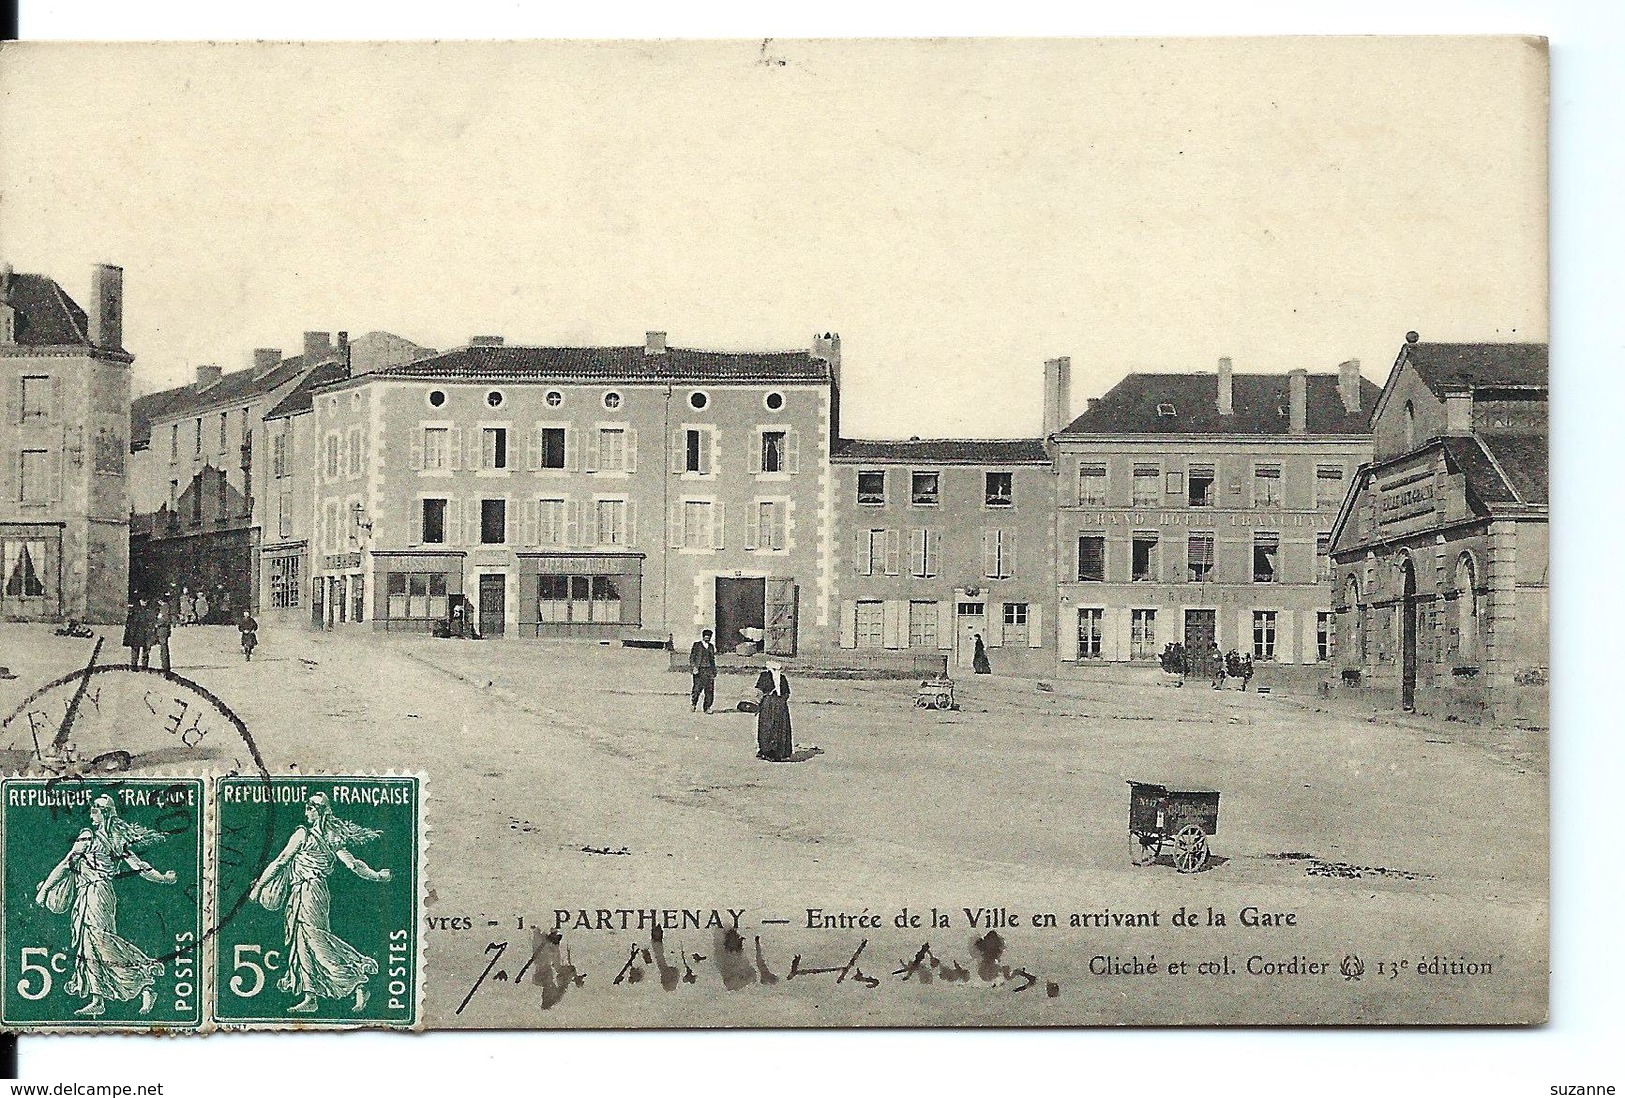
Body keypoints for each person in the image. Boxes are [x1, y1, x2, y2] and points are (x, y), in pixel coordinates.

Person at [34, 793, 177, 1017]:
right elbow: (142, 868)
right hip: (101, 894)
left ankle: (144, 982)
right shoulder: (117, 840)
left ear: (105, 813)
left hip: (94, 893)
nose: (91, 814)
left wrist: (44, 891)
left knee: (98, 942)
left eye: (95, 810)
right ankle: (99, 998)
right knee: (92, 944)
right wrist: (164, 878)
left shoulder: (87, 837)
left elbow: (65, 864)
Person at [249, 793, 391, 1014]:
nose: (306, 812)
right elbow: (354, 865)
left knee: (316, 941)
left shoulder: (303, 834)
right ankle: (311, 996)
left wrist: (258, 887)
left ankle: (356, 980)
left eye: (309, 808)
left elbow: (280, 862)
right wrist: (377, 876)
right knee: (302, 942)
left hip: (309, 892)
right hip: (306, 892)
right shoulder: (330, 836)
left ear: (317, 810)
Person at [754, 661, 793, 762]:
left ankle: (774, 752)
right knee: (769, 728)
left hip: (773, 705)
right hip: (775, 705)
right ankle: (767, 751)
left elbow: (758, 691)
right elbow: (786, 693)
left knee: (774, 728)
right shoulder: (769, 677)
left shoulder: (771, 677)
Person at [689, 629, 718, 713]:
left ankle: (707, 707)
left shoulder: (711, 646)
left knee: (709, 690)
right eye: (706, 636)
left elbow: (712, 659)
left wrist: (714, 670)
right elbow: (692, 657)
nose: (707, 638)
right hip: (699, 670)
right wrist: (694, 667)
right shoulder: (697, 645)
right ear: (703, 636)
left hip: (709, 670)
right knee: (697, 688)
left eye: (709, 636)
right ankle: (693, 704)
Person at [150, 595, 174, 674]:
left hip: (163, 630)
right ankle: (164, 665)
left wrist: (157, 623)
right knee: (163, 648)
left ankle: (165, 666)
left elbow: (165, 619)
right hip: (161, 630)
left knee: (163, 648)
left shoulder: (165, 607)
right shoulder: (163, 607)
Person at [120, 599, 143, 669]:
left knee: (137, 646)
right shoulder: (135, 610)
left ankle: (136, 663)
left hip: (137, 628)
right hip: (135, 628)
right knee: (135, 646)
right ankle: (134, 663)